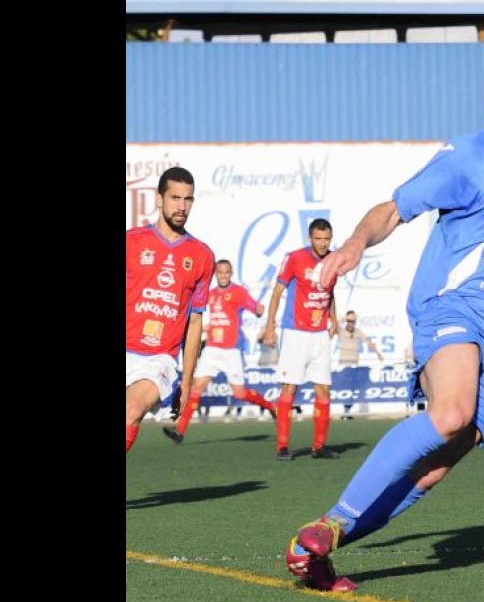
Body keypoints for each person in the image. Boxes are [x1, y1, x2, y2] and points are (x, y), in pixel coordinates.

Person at [283, 47, 484, 591]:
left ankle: (320, 544)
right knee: (451, 412)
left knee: (433, 468)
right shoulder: (471, 155)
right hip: (454, 309)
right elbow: (393, 208)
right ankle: (330, 523)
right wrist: (356, 242)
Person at [126, 167, 216, 454]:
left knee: (132, 410)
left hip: (158, 359)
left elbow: (195, 321)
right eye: (175, 197)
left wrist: (187, 380)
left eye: (187, 199)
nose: (181, 206)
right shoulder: (131, 242)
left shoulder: (202, 256)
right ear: (159, 199)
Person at [162, 259, 276, 444]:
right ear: (216, 274)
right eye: (220, 272)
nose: (223, 275)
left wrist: (258, 309)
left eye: (226, 272)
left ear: (230, 274)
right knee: (196, 388)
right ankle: (180, 431)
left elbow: (254, 307)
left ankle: (271, 406)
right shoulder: (211, 294)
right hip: (213, 350)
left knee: (239, 393)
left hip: (231, 351)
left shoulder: (238, 292)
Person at [261, 218, 341, 461]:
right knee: (290, 387)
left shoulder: (333, 260)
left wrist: (334, 317)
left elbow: (329, 291)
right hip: (295, 333)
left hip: (320, 335)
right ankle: (282, 445)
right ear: (310, 238)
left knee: (324, 389)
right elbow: (276, 293)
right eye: (318, 238)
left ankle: (319, 446)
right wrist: (270, 327)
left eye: (327, 239)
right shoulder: (294, 258)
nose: (323, 243)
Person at [337, 309, 386, 419]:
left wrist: (378, 354)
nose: (351, 323)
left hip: (355, 364)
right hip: (344, 365)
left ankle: (347, 411)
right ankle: (345, 411)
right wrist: (343, 318)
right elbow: (333, 327)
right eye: (349, 320)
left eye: (353, 321)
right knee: (345, 389)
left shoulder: (358, 332)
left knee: (353, 389)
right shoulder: (341, 331)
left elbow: (368, 342)